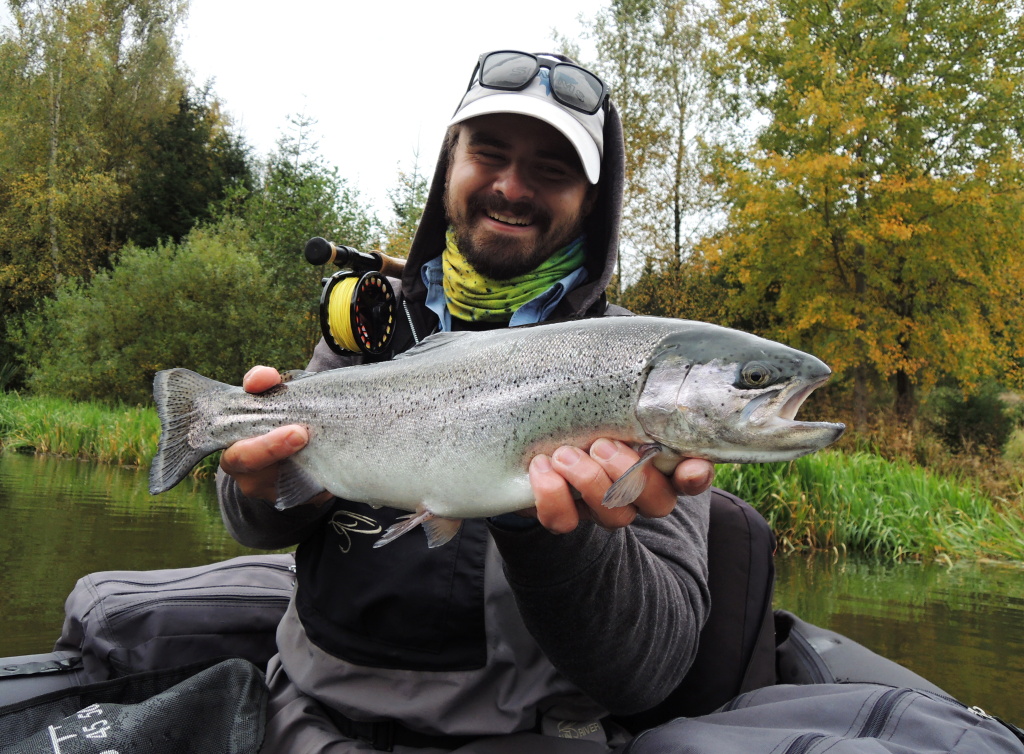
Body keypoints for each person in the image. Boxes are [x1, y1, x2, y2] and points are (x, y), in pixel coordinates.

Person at [217, 51, 771, 753]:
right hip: (305, 722)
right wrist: (260, 487)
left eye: (552, 169)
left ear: (592, 199)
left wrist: (544, 525)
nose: (513, 187)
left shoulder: (646, 367)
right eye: (489, 154)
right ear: (450, 165)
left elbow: (649, 672)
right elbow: (253, 518)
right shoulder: (371, 323)